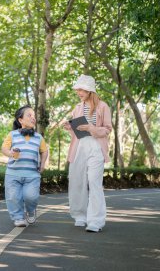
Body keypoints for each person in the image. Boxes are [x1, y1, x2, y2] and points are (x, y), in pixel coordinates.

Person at [63, 75, 112, 232]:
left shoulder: (103, 106)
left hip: (96, 147)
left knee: (94, 183)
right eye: (77, 89)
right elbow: (77, 131)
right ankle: (80, 215)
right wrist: (70, 127)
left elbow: (107, 129)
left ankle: (95, 221)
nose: (78, 92)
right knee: (77, 181)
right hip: (79, 147)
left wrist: (92, 128)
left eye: (81, 89)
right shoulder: (77, 107)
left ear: (90, 90)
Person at [2, 105, 48, 227]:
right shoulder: (12, 134)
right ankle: (18, 217)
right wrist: (10, 153)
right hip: (13, 174)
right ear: (20, 120)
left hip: (32, 174)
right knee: (13, 197)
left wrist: (42, 164)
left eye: (34, 116)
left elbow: (44, 151)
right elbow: (4, 148)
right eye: (29, 115)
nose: (33, 118)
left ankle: (31, 211)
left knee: (31, 197)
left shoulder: (39, 137)